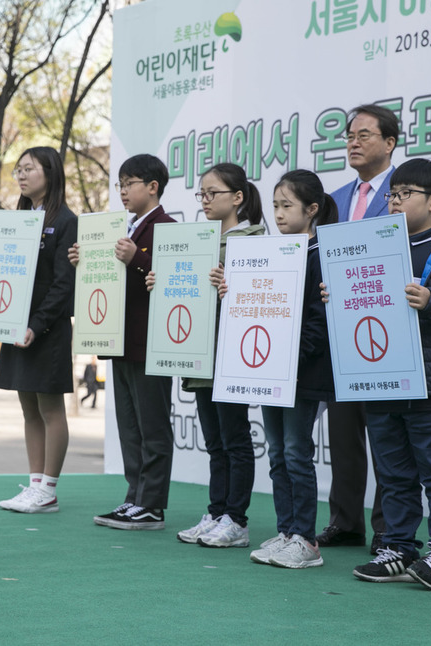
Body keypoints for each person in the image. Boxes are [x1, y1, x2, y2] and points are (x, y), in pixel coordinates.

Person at [341, 158, 431, 590]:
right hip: (381, 379)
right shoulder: (372, 246)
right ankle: (399, 546)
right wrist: (338, 292)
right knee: (394, 475)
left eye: (404, 194)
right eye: (392, 194)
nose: (394, 201)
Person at [152, 162, 265, 548]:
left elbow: (259, 298)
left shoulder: (253, 240)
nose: (205, 200)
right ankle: (217, 512)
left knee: (235, 440)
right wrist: (161, 281)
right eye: (201, 193)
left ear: (238, 197)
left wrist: (230, 286)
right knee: (215, 442)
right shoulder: (196, 240)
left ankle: (237, 519)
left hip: (232, 356)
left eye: (212, 193)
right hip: (199, 355)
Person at [70, 153, 176, 531]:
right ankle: (135, 496)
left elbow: (176, 283)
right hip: (120, 339)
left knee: (153, 425)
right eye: (120, 184)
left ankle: (152, 504)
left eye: (129, 183)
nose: (123, 191)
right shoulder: (126, 228)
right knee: (130, 426)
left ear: (152, 186)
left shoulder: (167, 226)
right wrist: (84, 260)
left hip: (152, 343)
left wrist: (139, 261)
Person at [247, 170, 337, 569]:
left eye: (287, 206)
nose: (279, 214)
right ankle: (287, 532)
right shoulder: (274, 253)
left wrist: (291, 360)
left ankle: (307, 540)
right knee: (278, 453)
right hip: (269, 371)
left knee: (298, 452)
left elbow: (319, 322)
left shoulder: (321, 255)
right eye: (276, 206)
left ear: (312, 209)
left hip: (303, 373)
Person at [318, 103, 397, 554]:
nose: (352, 141)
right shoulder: (336, 200)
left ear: (389, 143)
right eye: (349, 135)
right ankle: (345, 521)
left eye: (363, 135)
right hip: (338, 333)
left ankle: (389, 528)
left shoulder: (406, 193)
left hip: (384, 332)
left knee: (386, 435)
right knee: (344, 437)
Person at [0, 146, 77, 514]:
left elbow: (63, 283)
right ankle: (35, 485)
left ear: (50, 173)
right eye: (19, 170)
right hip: (16, 323)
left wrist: (36, 325)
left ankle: (50, 489)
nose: (22, 176)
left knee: (50, 407)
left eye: (29, 169)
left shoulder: (67, 219)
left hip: (46, 328)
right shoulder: (19, 218)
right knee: (28, 406)